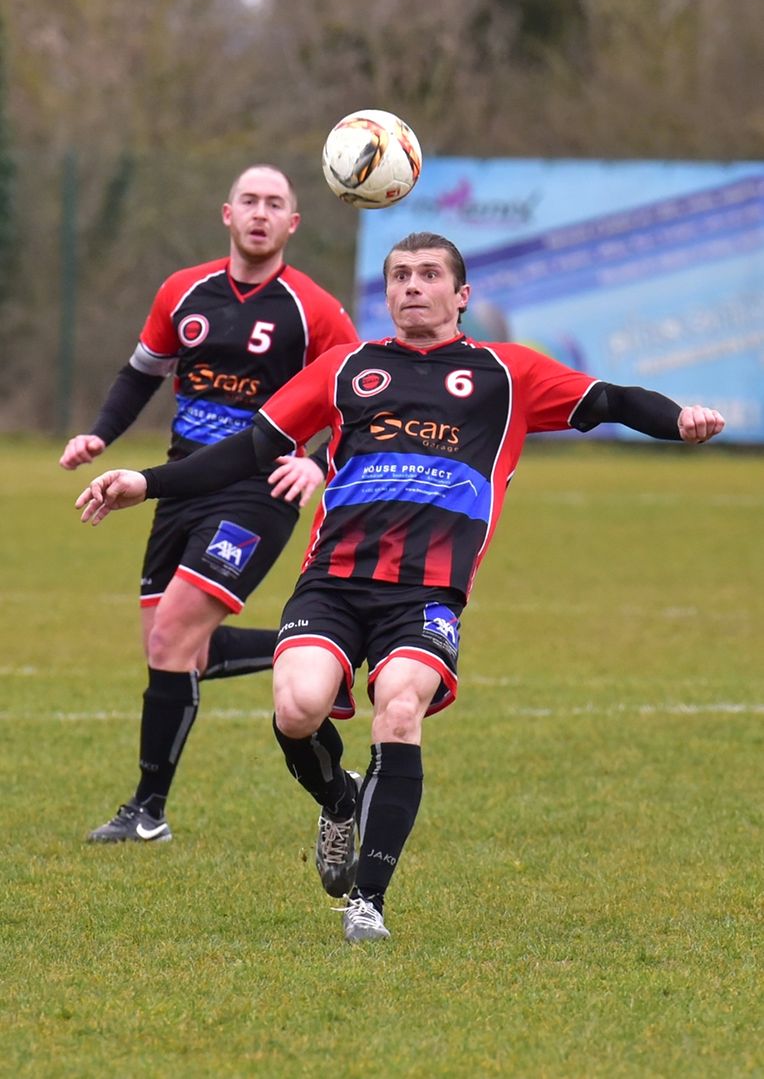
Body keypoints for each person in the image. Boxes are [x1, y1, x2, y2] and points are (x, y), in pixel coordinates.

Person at [75, 231, 725, 940]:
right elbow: (251, 448)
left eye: (428, 275)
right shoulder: (347, 367)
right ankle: (337, 798)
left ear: (462, 294)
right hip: (333, 582)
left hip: (427, 591)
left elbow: (609, 398)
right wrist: (147, 481)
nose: (413, 286)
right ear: (387, 294)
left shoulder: (504, 373)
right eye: (400, 276)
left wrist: (678, 419)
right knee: (296, 707)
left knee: (400, 707)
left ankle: (369, 902)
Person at [61, 164, 358, 844]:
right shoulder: (183, 291)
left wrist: (314, 465)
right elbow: (141, 373)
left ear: (293, 223)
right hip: (180, 483)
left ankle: (148, 812)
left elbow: (362, 399)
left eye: (274, 203)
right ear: (227, 213)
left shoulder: (312, 309)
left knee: (171, 636)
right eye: (249, 200)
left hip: (257, 493)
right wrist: (100, 435)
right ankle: (325, 653)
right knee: (177, 654)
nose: (260, 212)